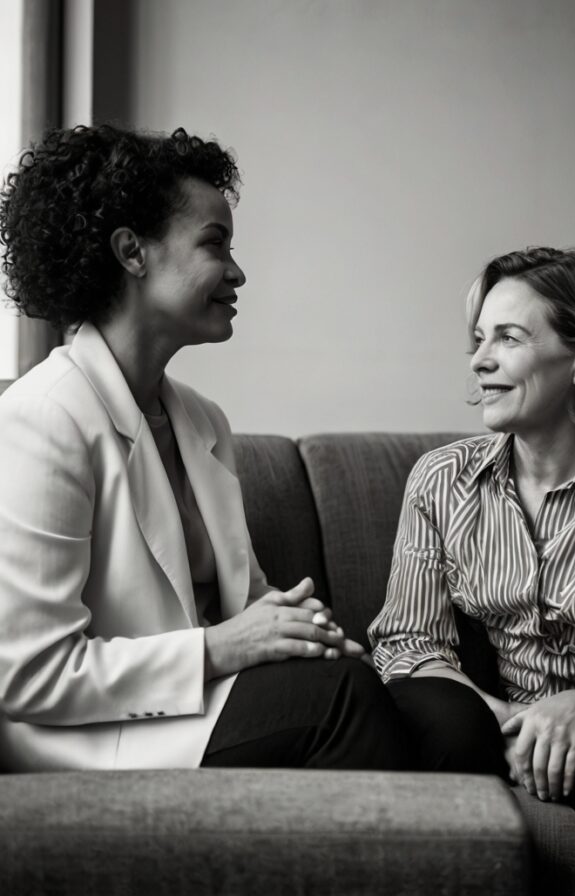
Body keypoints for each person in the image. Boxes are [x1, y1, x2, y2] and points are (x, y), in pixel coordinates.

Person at [0, 123, 408, 773]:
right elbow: (30, 675)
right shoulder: (43, 418)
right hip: (89, 735)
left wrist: (298, 632)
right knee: (342, 701)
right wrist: (222, 648)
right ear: (132, 252)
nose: (237, 272)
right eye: (215, 243)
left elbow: (243, 604)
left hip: (200, 703)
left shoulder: (202, 419)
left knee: (404, 702)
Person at [369, 246, 575, 894]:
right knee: (440, 718)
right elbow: (407, 641)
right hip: (486, 710)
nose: (479, 360)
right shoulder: (440, 480)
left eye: (507, 338)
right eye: (479, 338)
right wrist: (500, 714)